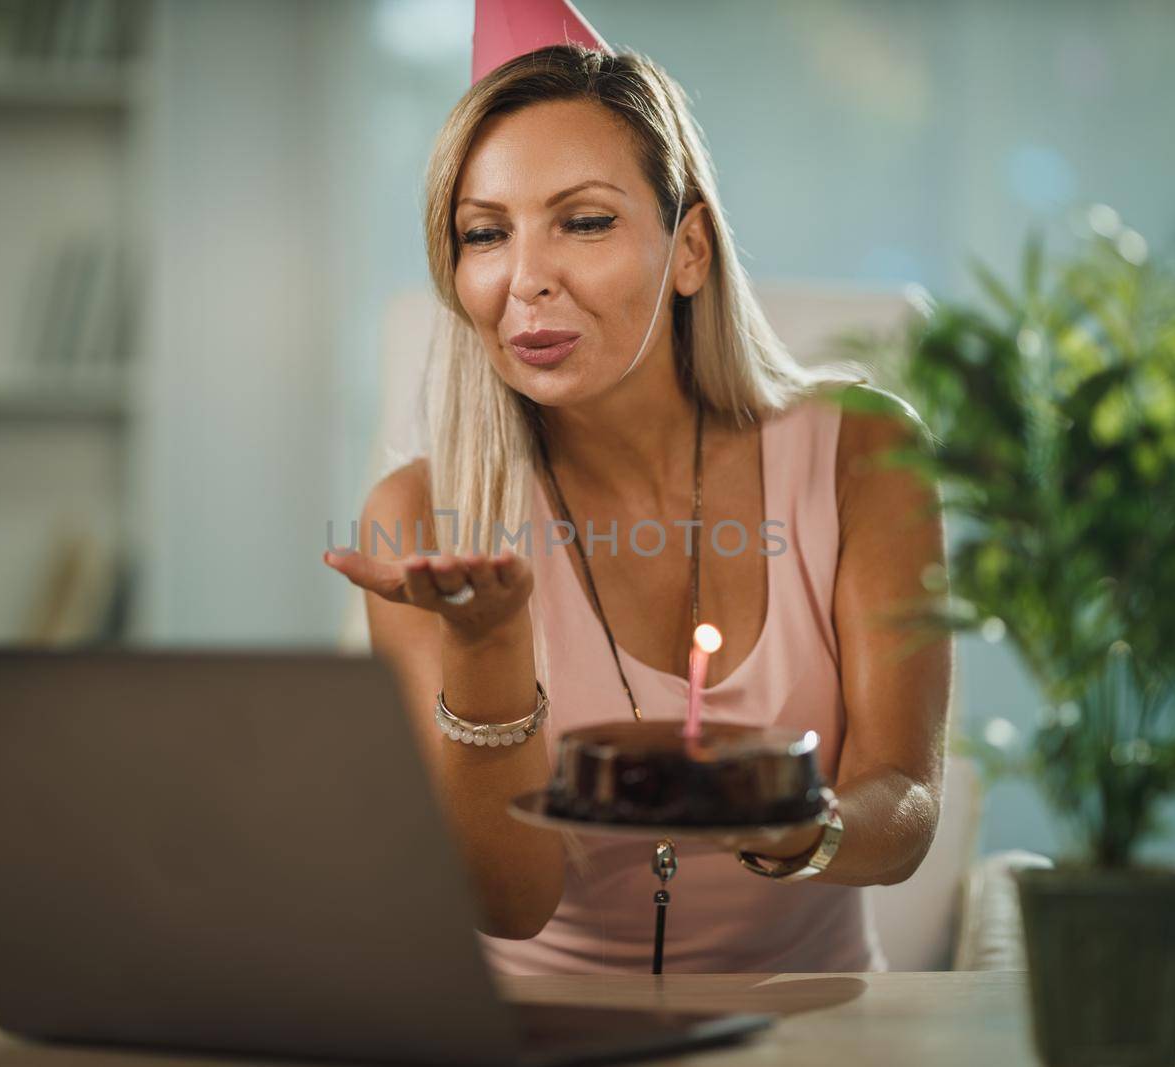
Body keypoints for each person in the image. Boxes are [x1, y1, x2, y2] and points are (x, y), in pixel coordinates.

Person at [324, 0, 950, 974]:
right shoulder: (419, 518)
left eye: (582, 221)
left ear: (689, 249)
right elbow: (509, 903)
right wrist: (486, 651)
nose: (526, 279)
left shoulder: (863, 454)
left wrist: (781, 824)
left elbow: (903, 803)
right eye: (484, 233)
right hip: (544, 1030)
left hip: (813, 1026)